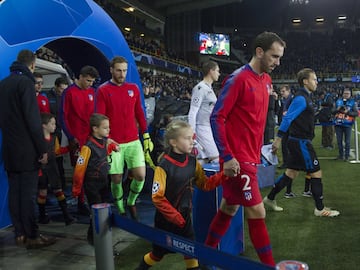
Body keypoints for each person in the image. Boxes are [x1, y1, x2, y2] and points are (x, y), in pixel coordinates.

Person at [204, 31, 286, 267]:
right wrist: (227, 157)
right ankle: (270, 266)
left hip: (251, 156)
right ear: (259, 52)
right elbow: (217, 117)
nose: (277, 62)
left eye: (279, 57)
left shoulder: (266, 81)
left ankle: (204, 257)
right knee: (258, 212)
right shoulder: (238, 79)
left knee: (228, 207)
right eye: (274, 56)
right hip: (238, 160)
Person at [135, 120, 227, 270]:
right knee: (157, 255)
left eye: (192, 137)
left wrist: (224, 175)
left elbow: (205, 184)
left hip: (185, 219)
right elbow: (157, 197)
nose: (193, 141)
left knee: (191, 253)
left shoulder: (192, 162)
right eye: (187, 138)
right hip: (165, 221)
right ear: (173, 142)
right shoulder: (163, 166)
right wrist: (174, 216)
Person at [263, 68, 340, 218]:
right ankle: (320, 208)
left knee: (291, 172)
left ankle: (269, 198)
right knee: (316, 172)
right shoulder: (300, 98)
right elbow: (287, 119)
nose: (316, 82)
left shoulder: (306, 97)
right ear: (305, 81)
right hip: (301, 142)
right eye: (314, 79)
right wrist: (278, 140)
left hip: (298, 141)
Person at [0, 49, 56, 248]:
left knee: (15, 193)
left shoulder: (4, 83)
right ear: (32, 65)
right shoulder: (26, 83)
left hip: (9, 148)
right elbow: (33, 121)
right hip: (27, 150)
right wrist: (42, 149)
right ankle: (32, 236)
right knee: (28, 195)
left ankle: (20, 234)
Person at [96, 56, 152, 220]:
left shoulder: (133, 88)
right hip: (114, 142)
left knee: (141, 176)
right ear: (111, 70)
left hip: (133, 141)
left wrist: (146, 134)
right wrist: (106, 139)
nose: (122, 74)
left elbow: (139, 113)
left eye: (125, 70)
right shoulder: (103, 90)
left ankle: (131, 201)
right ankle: (120, 207)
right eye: (119, 70)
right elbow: (99, 117)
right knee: (116, 177)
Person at [72, 113, 119, 245]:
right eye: (105, 128)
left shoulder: (104, 142)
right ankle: (93, 237)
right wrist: (76, 189)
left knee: (105, 209)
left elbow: (106, 151)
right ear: (95, 129)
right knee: (97, 212)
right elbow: (79, 170)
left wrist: (114, 147)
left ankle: (101, 234)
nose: (108, 130)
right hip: (92, 185)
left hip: (104, 183)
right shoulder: (87, 147)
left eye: (108, 127)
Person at [60, 65, 99, 215]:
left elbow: (95, 115)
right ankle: (81, 202)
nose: (90, 84)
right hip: (76, 140)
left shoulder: (92, 92)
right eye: (88, 80)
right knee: (79, 172)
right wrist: (70, 137)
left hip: (91, 139)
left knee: (91, 171)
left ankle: (91, 200)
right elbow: (63, 116)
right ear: (81, 77)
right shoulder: (68, 93)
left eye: (92, 81)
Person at [37, 112, 76, 226]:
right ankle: (42, 215)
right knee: (42, 191)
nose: (55, 126)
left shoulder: (54, 138)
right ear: (44, 125)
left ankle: (66, 216)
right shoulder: (38, 139)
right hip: (42, 169)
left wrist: (69, 148)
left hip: (53, 168)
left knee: (58, 190)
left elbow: (58, 152)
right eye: (52, 124)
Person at [188, 60, 220, 164]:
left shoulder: (209, 89)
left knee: (203, 159)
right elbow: (193, 112)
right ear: (211, 71)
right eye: (217, 71)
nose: (219, 74)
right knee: (216, 157)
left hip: (208, 127)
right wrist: (192, 132)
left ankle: (199, 179)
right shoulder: (200, 88)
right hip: (201, 127)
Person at [47, 76, 69, 189]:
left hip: (63, 132)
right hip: (51, 133)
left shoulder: (66, 97)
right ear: (56, 87)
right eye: (61, 89)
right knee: (52, 160)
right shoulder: (47, 96)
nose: (63, 92)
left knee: (60, 160)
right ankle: (52, 185)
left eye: (65, 89)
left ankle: (63, 185)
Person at [333, 88, 358, 161]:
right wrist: (337, 109)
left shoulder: (353, 102)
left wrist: (347, 112)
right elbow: (332, 111)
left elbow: (356, 113)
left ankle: (346, 156)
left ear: (350, 94)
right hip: (338, 124)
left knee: (347, 141)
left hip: (348, 124)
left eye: (348, 93)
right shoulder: (338, 101)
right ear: (342, 94)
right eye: (345, 93)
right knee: (339, 141)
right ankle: (341, 155)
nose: (346, 95)